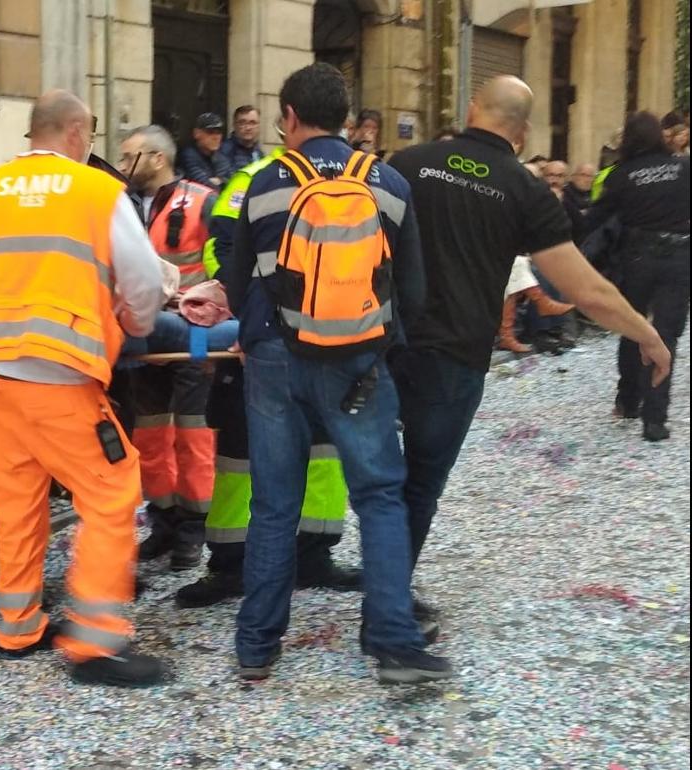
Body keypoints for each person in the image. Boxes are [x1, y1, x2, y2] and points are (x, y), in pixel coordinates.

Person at [0, 89, 168, 687]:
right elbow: (142, 286)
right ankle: (97, 644)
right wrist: (134, 325)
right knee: (111, 490)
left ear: (36, 133)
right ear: (78, 132)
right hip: (58, 371)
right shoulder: (98, 192)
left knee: (17, 496)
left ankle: (20, 626)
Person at [385, 77, 670, 603]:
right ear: (523, 133)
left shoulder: (407, 163)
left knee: (377, 485)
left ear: (472, 109)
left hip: (382, 343)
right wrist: (648, 334)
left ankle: (341, 580)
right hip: (455, 354)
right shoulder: (522, 188)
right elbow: (586, 289)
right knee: (419, 483)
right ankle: (388, 603)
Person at [225, 63, 448, 684]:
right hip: (359, 362)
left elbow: (238, 283)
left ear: (289, 117)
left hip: (274, 356)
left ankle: (257, 646)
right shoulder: (390, 184)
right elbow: (415, 291)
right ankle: (394, 643)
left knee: (273, 503)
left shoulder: (263, 182)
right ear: (348, 120)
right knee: (378, 497)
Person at [174, 148, 362, 612]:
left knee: (320, 450)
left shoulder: (260, 177)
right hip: (299, 337)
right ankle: (233, 560)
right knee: (245, 448)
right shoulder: (358, 175)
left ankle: (311, 552)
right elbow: (220, 249)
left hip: (296, 334)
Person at [118, 125, 217, 572]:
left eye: (129, 157)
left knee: (194, 432)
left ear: (156, 158)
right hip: (141, 331)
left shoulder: (202, 200)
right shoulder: (119, 207)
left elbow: (222, 264)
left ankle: (194, 529)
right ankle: (164, 522)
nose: (122, 167)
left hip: (194, 330)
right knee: (151, 435)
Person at [586, 111, 690, 442]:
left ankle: (628, 400)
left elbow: (596, 218)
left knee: (632, 328)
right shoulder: (684, 168)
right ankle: (655, 420)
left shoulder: (621, 175)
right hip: (679, 258)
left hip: (638, 258)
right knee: (666, 336)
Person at [177, 112, 230, 189]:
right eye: (210, 132)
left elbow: (234, 185)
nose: (216, 137)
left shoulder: (221, 158)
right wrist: (221, 182)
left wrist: (221, 180)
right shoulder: (188, 155)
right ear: (196, 133)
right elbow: (203, 186)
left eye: (218, 133)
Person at [218, 105, 263, 176]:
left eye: (252, 123)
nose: (248, 127)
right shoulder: (224, 150)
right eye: (242, 123)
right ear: (234, 125)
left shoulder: (259, 152)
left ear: (258, 126)